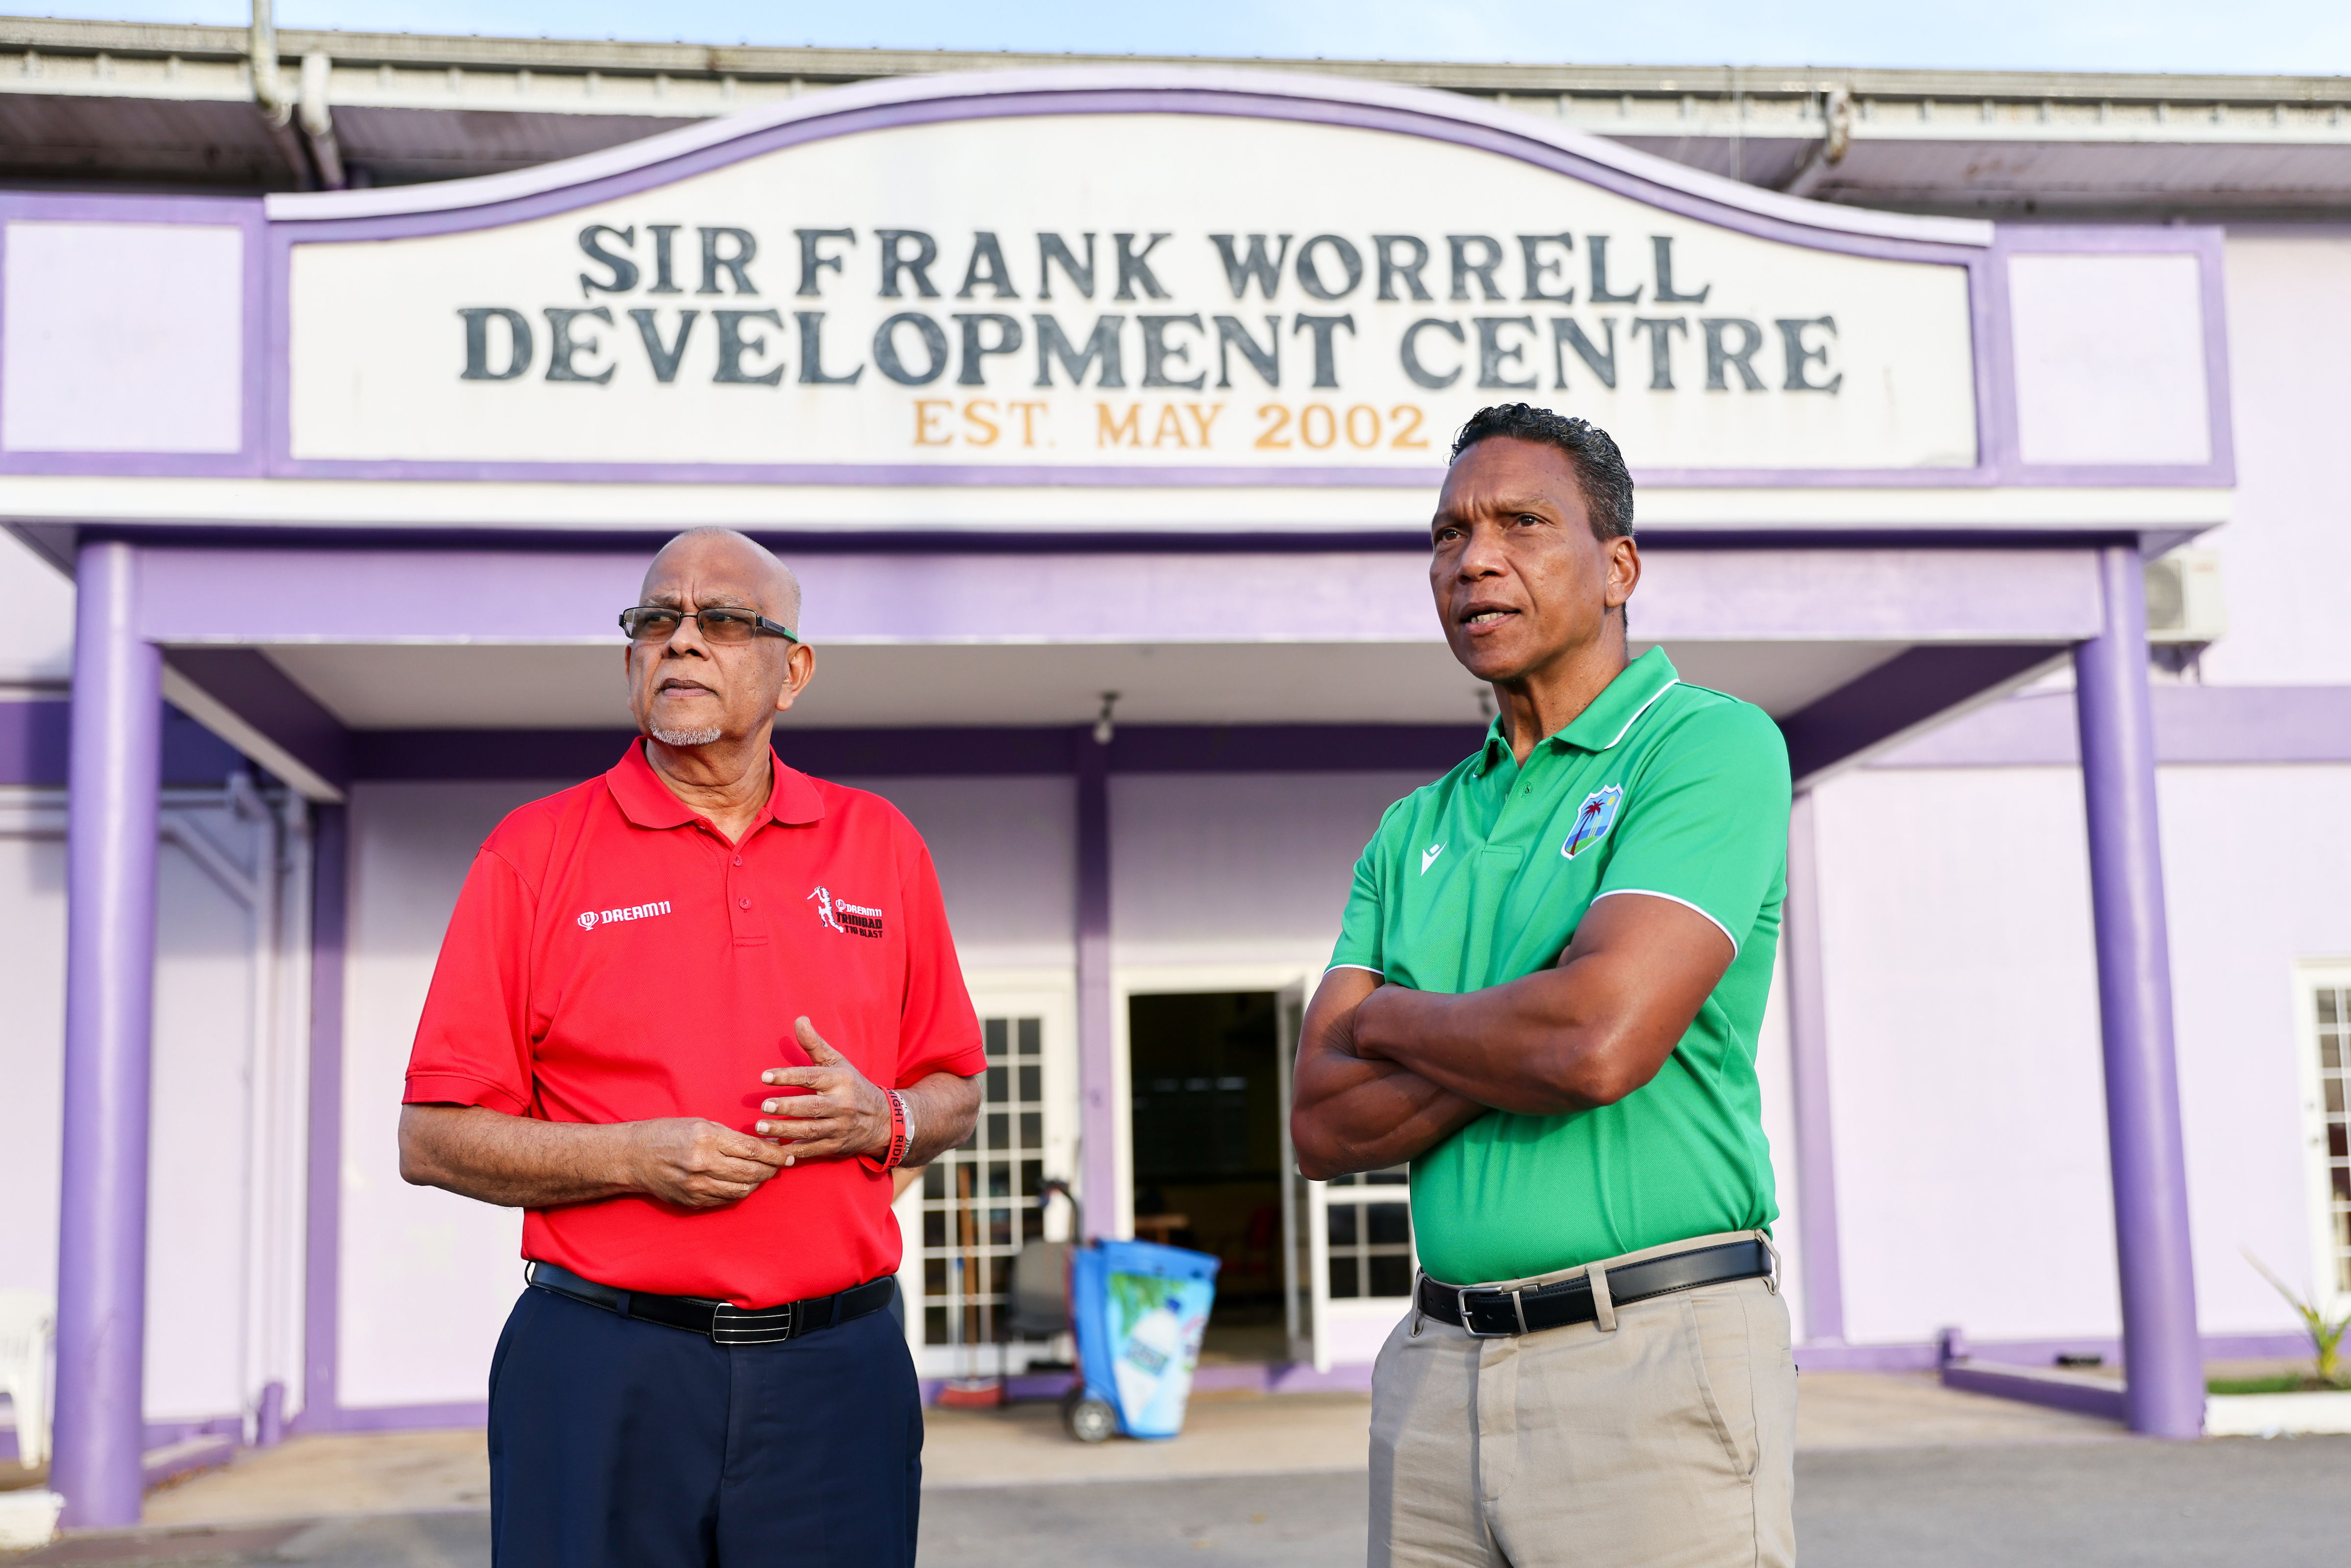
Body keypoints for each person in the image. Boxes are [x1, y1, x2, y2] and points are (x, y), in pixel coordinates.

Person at [398, 527, 985, 1568]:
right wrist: (634, 1155)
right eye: (655, 622)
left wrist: (884, 1116)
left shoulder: (882, 843)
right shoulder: (534, 851)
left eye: (721, 622)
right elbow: (433, 1136)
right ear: (630, 661)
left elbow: (955, 1088)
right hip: (601, 1369)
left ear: (792, 669)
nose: (681, 643)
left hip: (836, 1373)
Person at [1291, 405, 1796, 1568]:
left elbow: (1597, 1043)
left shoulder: (1706, 748)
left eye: (1522, 522)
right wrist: (1530, 1014)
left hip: (1652, 1356)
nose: (1474, 558)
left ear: (1619, 565)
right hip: (1436, 1369)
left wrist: (1389, 1018)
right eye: (1449, 533)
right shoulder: (1412, 825)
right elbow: (1321, 1120)